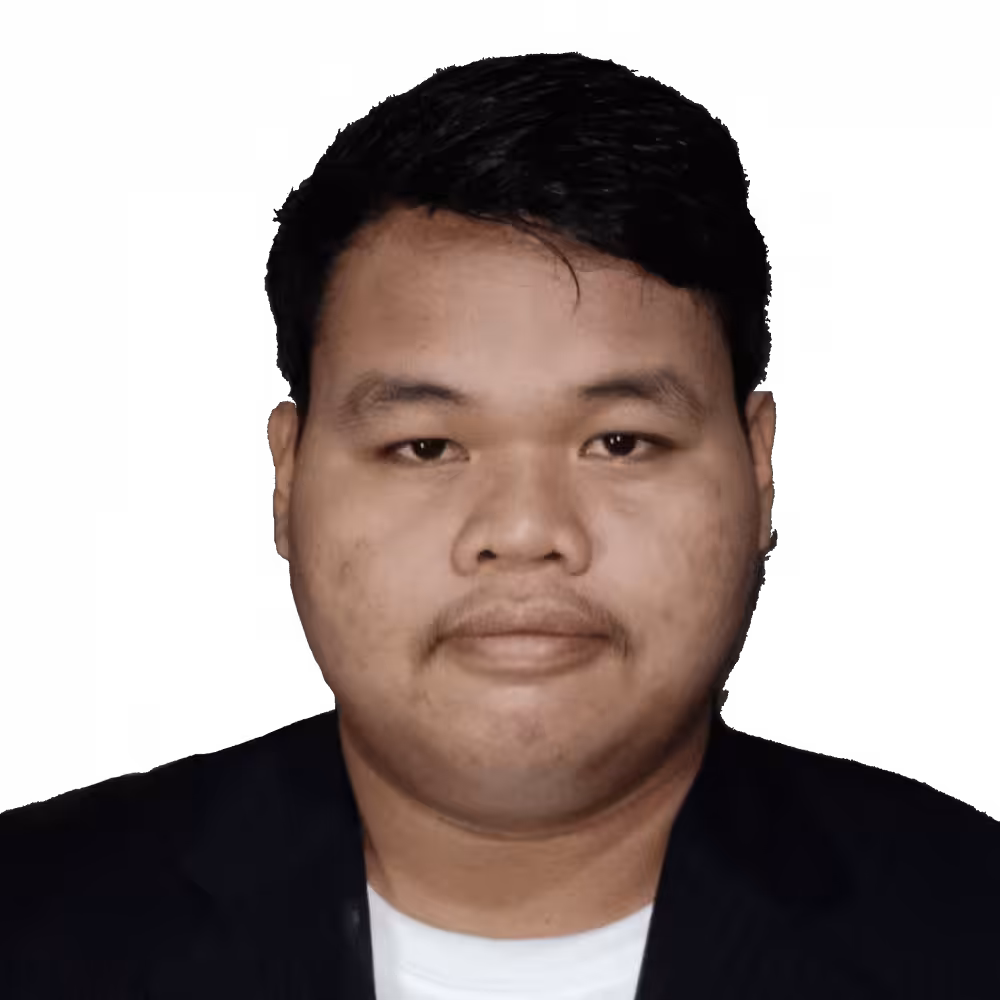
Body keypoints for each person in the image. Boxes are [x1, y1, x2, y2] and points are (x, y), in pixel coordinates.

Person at [2, 52, 996, 1000]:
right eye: (427, 446)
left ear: (760, 470)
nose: (523, 532)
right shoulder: (32, 915)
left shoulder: (970, 919)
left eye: (619, 442)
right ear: (287, 479)